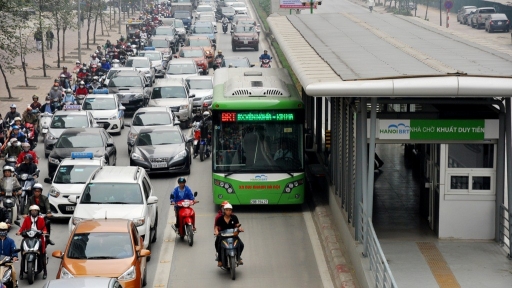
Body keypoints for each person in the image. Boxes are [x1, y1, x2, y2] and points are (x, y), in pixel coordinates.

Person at [17, 205, 49, 279]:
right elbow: (22, 227)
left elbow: (44, 227)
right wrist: (19, 232)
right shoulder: (27, 219)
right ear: (30, 212)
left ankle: (45, 271)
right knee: (23, 254)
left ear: (38, 212)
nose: (34, 212)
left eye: (35, 211)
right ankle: (21, 272)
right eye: (32, 211)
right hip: (28, 237)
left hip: (38, 238)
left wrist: (44, 231)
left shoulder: (41, 219)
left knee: (42, 254)